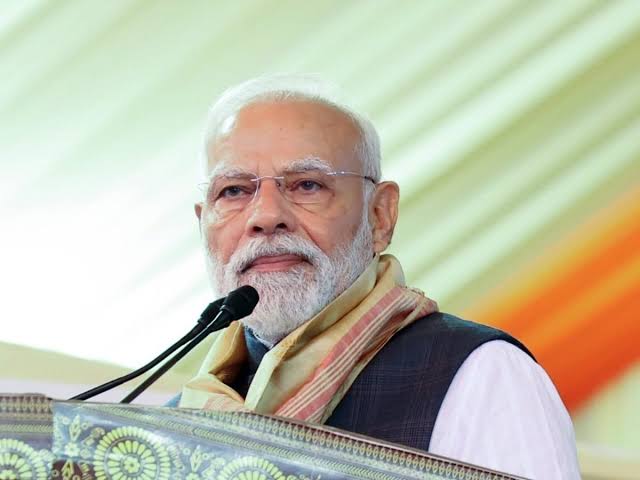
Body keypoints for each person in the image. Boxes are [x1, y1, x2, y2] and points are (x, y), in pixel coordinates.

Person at [175, 75, 581, 479]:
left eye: (307, 185)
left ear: (380, 216)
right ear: (202, 224)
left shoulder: (479, 375)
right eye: (233, 191)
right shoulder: (172, 424)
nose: (266, 216)